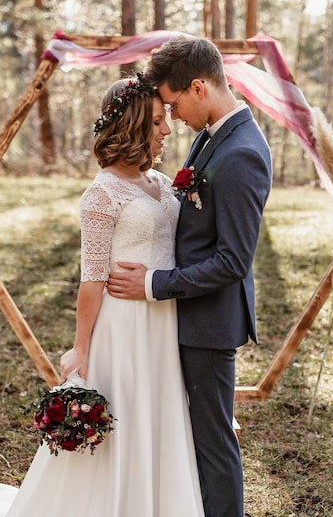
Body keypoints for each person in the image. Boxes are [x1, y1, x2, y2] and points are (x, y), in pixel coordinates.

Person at [0, 74, 204, 517]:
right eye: (155, 122)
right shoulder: (101, 194)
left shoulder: (161, 182)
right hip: (124, 328)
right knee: (125, 423)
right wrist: (81, 348)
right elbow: (91, 279)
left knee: (158, 421)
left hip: (163, 320)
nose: (166, 130)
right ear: (132, 125)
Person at [107, 35, 273, 517]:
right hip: (185, 314)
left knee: (213, 441)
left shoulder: (241, 152)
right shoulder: (212, 133)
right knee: (189, 435)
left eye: (173, 103)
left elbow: (233, 260)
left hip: (208, 321)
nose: (171, 117)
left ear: (198, 87)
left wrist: (154, 284)